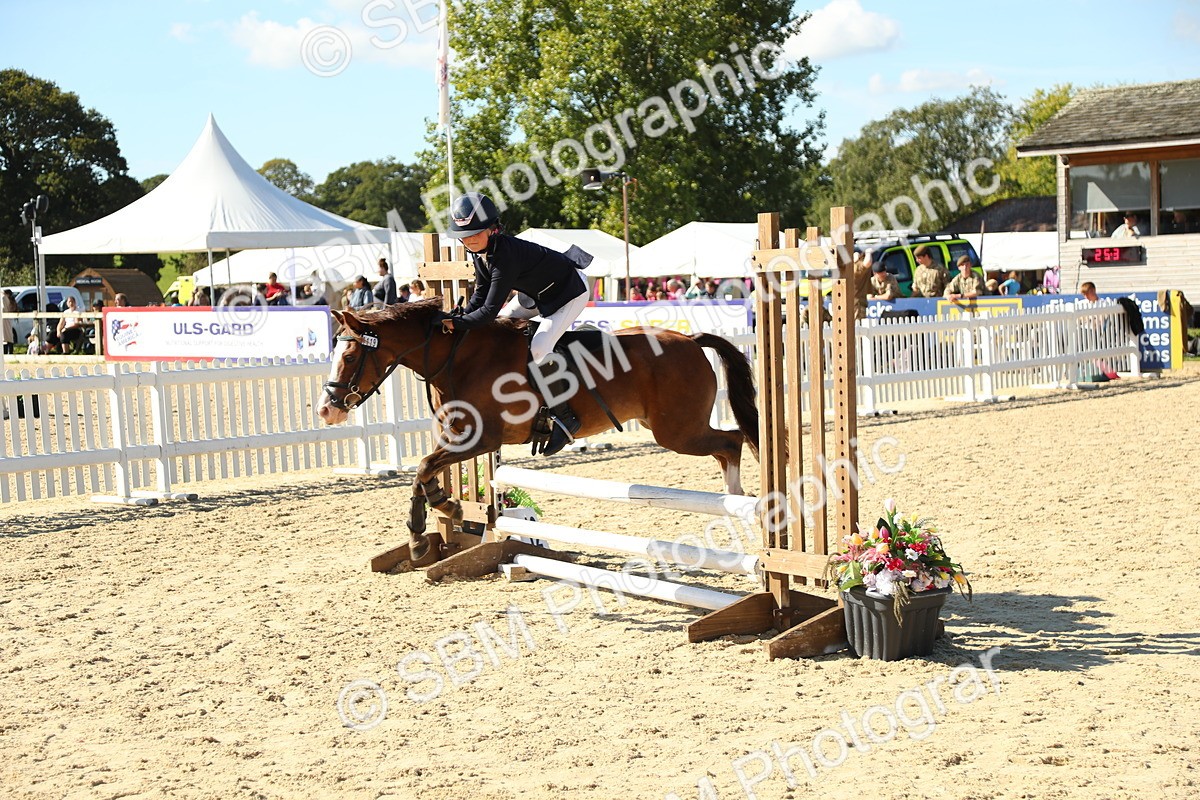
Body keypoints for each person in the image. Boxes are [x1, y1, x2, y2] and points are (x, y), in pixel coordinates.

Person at [441, 192, 593, 456]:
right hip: (535, 294)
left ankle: (565, 418)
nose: (468, 239)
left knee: (539, 348)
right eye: (463, 235)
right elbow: (480, 294)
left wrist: (458, 323)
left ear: (493, 229)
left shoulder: (505, 255)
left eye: (475, 232)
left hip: (569, 291)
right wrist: (461, 315)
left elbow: (488, 312)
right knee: (502, 332)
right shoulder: (480, 252)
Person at [2, 288, 16, 354]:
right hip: (7, 319)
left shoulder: (5, 299)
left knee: (5, 337)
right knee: (8, 337)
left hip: (5, 319)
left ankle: (7, 352)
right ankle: (9, 352)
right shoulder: (9, 300)